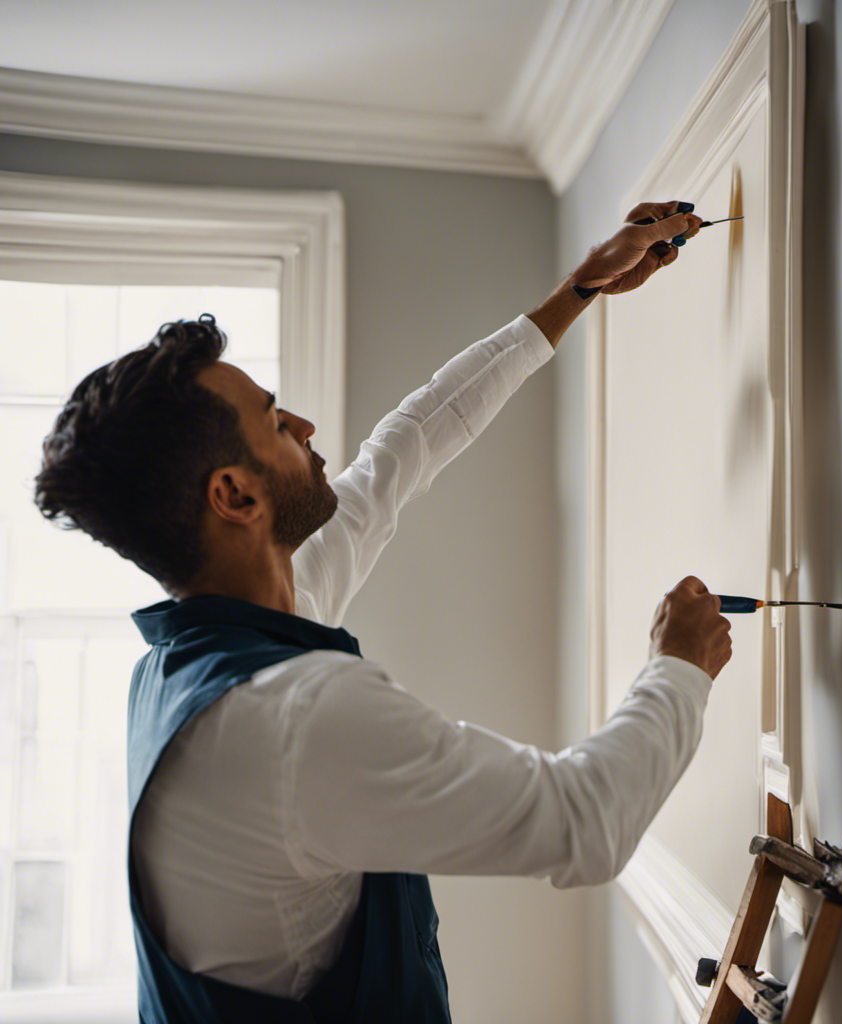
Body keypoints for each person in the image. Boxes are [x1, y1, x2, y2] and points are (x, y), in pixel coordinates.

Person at [34, 200, 731, 1024]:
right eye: (273, 419)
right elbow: (587, 823)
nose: (305, 425)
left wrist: (578, 290)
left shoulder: (201, 654)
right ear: (234, 494)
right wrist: (679, 666)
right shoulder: (295, 719)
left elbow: (406, 450)